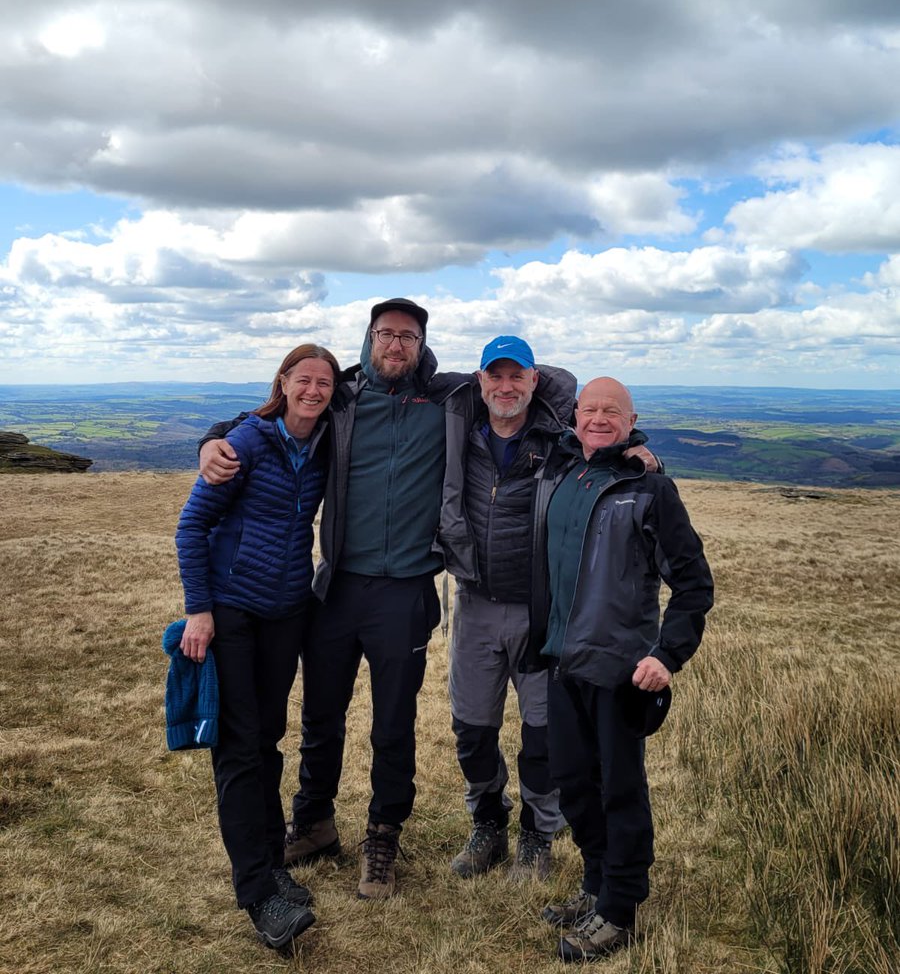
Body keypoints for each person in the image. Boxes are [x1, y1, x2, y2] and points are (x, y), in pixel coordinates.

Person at [199, 299, 473, 900]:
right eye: (385, 334)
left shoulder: (454, 398)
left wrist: (631, 439)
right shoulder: (343, 398)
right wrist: (211, 438)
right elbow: (271, 414)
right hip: (336, 588)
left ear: (423, 343)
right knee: (321, 715)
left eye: (408, 336)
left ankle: (382, 837)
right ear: (369, 338)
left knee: (393, 726)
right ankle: (315, 821)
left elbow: (547, 387)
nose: (395, 345)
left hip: (404, 592)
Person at [448, 342, 660, 883]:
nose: (505, 387)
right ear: (480, 380)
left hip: (541, 611)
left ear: (534, 380)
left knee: (543, 735)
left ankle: (538, 833)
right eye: (495, 376)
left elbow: (603, 436)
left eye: (515, 376)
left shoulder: (557, 441)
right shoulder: (459, 429)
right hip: (474, 603)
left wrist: (637, 448)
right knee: (472, 729)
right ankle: (488, 821)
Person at [529, 377, 714, 962]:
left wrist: (666, 654)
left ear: (633, 419)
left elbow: (693, 584)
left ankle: (620, 909)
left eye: (613, 410)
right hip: (561, 661)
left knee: (620, 790)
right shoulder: (561, 470)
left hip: (621, 671)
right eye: (590, 408)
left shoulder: (650, 488)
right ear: (573, 414)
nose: (599, 418)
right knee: (575, 783)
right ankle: (594, 886)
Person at [175, 343, 339, 949]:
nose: (315, 390)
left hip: (287, 613)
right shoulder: (247, 441)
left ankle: (272, 860)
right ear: (284, 382)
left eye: (324, 382)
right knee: (241, 749)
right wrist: (200, 610)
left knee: (268, 737)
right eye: (304, 379)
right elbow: (191, 525)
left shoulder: (325, 444)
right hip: (234, 611)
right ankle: (258, 893)